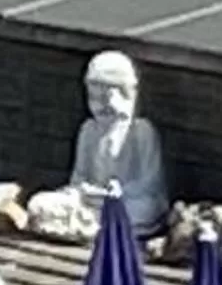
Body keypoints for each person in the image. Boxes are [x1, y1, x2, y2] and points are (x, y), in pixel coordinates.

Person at [26, 51, 169, 240]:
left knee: (145, 209)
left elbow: (150, 184)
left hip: (127, 201)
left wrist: (116, 194)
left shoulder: (140, 131)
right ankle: (91, 223)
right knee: (39, 204)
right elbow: (78, 178)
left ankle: (91, 224)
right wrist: (83, 191)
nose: (100, 105)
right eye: (94, 98)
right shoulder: (89, 130)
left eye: (107, 97)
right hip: (91, 202)